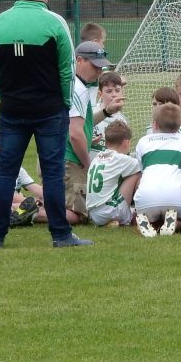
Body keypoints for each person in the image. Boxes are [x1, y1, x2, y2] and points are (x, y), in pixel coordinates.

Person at [0, 0, 93, 249]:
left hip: (11, 110)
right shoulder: (55, 24)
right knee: (52, 173)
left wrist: (4, 96)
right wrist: (64, 104)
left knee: (6, 173)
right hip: (49, 111)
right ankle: (61, 235)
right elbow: (66, 71)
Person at [65, 40, 112, 226]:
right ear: (79, 60)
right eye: (95, 66)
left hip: (63, 156)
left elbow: (82, 124)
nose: (99, 72)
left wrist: (107, 111)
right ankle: (31, 210)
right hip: (69, 159)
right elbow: (75, 134)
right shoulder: (77, 88)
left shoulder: (74, 84)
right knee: (77, 215)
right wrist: (87, 163)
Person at [133, 102, 181, 237]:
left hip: (146, 199)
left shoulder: (143, 141)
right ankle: (176, 223)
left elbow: (142, 173)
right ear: (179, 126)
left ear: (154, 124)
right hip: (175, 199)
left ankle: (146, 222)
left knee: (146, 207)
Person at [85, 122, 142, 227]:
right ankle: (141, 213)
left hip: (93, 215)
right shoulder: (120, 158)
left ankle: (111, 222)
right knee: (137, 173)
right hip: (109, 212)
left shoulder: (96, 158)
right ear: (126, 142)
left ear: (106, 142)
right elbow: (143, 166)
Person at [90, 71, 128, 153]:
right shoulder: (90, 112)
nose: (114, 94)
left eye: (117, 90)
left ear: (122, 92)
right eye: (109, 91)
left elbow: (124, 151)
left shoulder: (123, 121)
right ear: (100, 94)